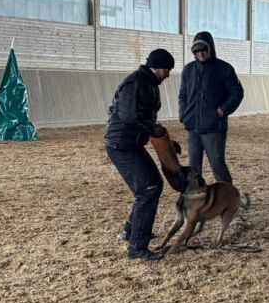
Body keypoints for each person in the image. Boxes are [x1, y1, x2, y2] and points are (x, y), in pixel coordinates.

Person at [105, 48, 175, 261]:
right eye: (167, 70)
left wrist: (165, 141)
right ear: (157, 67)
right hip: (121, 144)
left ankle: (131, 231)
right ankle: (137, 248)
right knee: (148, 189)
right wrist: (154, 130)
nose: (168, 75)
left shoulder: (149, 84)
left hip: (131, 143)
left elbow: (142, 117)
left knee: (153, 184)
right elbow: (129, 116)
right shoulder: (135, 83)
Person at [179, 31, 244, 184]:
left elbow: (236, 92)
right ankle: (197, 195)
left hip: (214, 127)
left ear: (210, 49)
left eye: (203, 49)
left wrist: (223, 109)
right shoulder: (188, 70)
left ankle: (229, 195)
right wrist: (183, 113)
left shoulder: (224, 69)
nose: (200, 53)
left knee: (217, 165)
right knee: (193, 167)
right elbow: (183, 94)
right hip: (192, 127)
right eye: (197, 50)